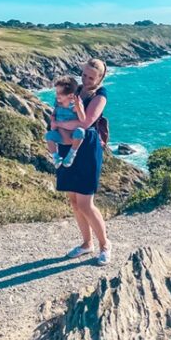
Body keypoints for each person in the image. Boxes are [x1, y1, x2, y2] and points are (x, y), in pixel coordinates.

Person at [52, 58, 112, 265]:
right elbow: (58, 106)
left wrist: (60, 122)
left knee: (86, 203)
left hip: (86, 149)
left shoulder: (101, 95)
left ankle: (105, 245)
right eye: (84, 75)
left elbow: (86, 122)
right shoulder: (75, 90)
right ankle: (87, 244)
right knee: (74, 201)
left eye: (91, 77)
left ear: (101, 78)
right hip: (68, 147)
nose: (86, 80)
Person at [45, 75, 86, 169]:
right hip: (60, 136)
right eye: (56, 92)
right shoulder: (58, 102)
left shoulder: (75, 106)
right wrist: (53, 117)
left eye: (60, 93)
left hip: (72, 137)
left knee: (80, 131)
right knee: (48, 136)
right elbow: (55, 110)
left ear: (71, 95)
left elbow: (83, 119)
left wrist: (79, 107)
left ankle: (72, 154)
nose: (57, 95)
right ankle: (56, 157)